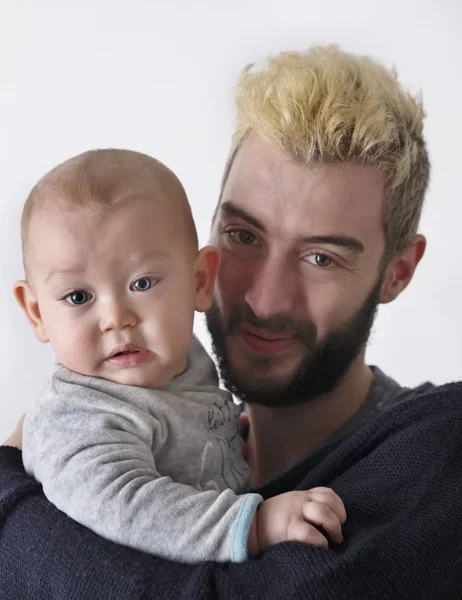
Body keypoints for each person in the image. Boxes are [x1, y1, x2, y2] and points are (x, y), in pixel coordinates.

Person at [1, 44, 461, 599]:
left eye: (321, 258)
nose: (265, 300)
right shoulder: (159, 425)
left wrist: (8, 491)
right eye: (244, 236)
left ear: (398, 271)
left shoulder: (438, 447)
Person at [12, 148, 346, 564]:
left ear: (200, 280)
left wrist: (230, 437)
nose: (116, 319)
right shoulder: (76, 418)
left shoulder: (177, 357)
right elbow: (130, 508)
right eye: (78, 296)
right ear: (37, 312)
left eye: (143, 282)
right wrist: (256, 524)